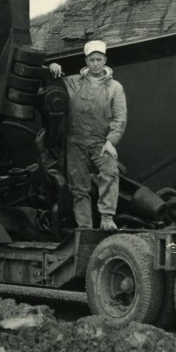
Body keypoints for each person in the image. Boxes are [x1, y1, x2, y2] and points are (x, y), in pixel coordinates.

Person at [48, 40, 127, 230]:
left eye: (99, 59)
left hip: (101, 142)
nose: (96, 63)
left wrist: (111, 142)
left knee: (110, 172)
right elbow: (54, 84)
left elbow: (120, 118)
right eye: (92, 60)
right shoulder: (73, 82)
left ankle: (107, 219)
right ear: (87, 61)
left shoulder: (115, 87)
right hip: (75, 142)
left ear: (105, 60)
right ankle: (85, 227)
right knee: (78, 187)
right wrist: (53, 67)